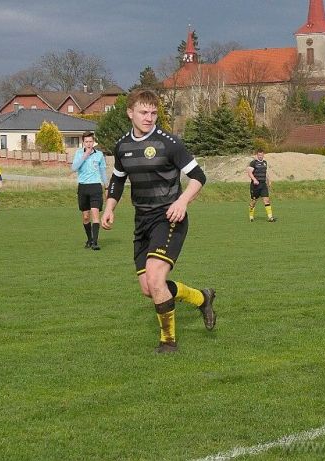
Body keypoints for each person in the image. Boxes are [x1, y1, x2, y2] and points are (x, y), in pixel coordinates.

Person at [101, 89, 216, 353]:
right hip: (142, 222)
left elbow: (199, 176)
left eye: (153, 113)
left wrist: (182, 202)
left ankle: (168, 342)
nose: (149, 118)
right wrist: (110, 207)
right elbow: (118, 179)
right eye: (143, 112)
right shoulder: (122, 147)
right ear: (130, 113)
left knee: (155, 278)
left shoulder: (169, 143)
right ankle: (202, 297)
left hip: (169, 217)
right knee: (149, 288)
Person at [71, 131, 108, 250]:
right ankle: (89, 239)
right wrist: (85, 156)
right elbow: (74, 168)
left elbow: (103, 172)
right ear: (83, 142)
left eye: (90, 141)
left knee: (95, 213)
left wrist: (106, 187)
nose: (88, 144)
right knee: (86, 216)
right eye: (86, 142)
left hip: (95, 187)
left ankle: (95, 242)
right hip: (83, 187)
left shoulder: (99, 155)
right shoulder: (78, 153)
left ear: (94, 142)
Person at [247, 149, 276, 222]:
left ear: (263, 155)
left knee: (266, 200)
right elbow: (249, 173)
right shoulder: (253, 163)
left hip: (263, 185)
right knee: (254, 201)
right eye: (259, 155)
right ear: (257, 155)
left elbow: (265, 173)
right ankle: (251, 216)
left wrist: (269, 181)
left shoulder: (265, 163)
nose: (260, 156)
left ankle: (270, 217)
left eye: (261, 155)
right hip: (255, 185)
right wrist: (254, 180)